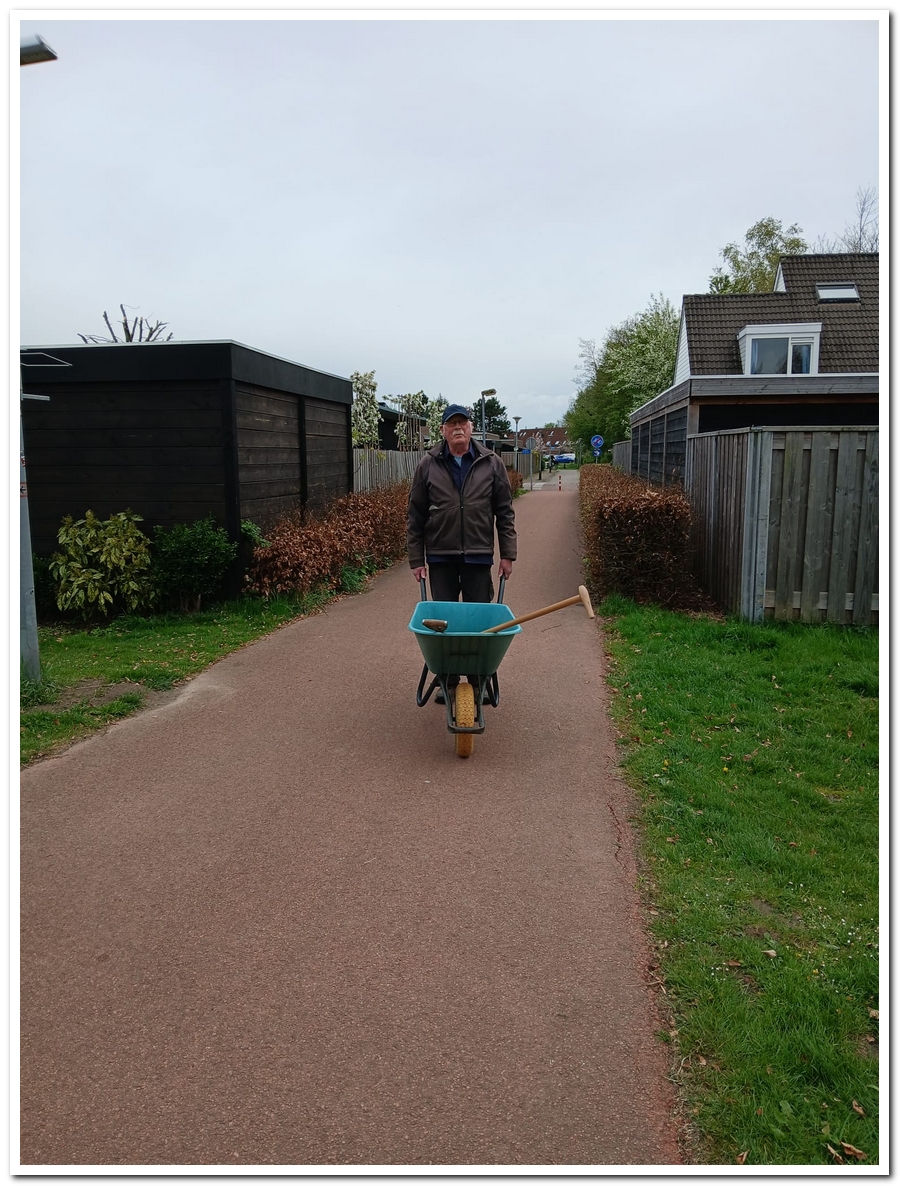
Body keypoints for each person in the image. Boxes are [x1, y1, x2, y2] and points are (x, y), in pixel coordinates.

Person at [408, 403, 517, 698]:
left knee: (478, 622)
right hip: (440, 556)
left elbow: (505, 512)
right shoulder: (428, 465)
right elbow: (415, 516)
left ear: (471, 428)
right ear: (443, 430)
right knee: (444, 624)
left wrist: (508, 554)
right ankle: (448, 681)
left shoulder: (491, 463)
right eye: (452, 423)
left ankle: (479, 681)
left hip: (478, 556)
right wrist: (416, 559)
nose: (458, 427)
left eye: (462, 423)